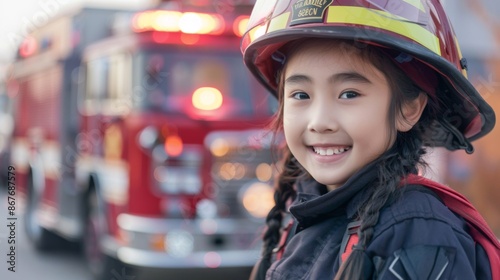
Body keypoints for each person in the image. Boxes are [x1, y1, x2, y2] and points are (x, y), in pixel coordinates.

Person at [240, 0, 497, 279]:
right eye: (301, 95)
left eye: (349, 94)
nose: (320, 122)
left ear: (409, 109)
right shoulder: (308, 213)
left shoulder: (418, 233)